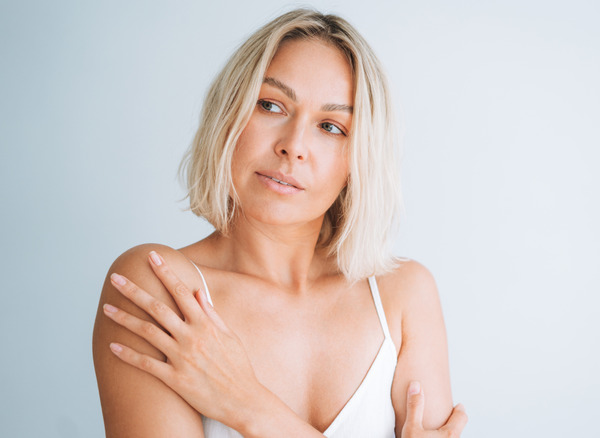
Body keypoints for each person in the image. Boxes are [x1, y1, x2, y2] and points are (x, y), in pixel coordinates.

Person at [92, 8, 467, 437]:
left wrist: (247, 404)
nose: (293, 146)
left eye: (331, 126)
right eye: (271, 105)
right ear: (229, 113)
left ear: (358, 159)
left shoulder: (403, 296)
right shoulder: (160, 286)